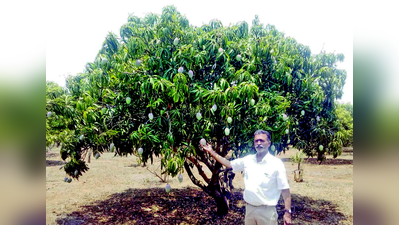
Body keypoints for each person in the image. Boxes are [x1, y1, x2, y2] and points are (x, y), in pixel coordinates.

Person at [200, 130, 292, 225]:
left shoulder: (276, 164)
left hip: (267, 212)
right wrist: (211, 151)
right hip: (250, 210)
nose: (259, 143)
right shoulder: (248, 160)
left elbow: (285, 189)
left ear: (269, 143)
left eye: (262, 140)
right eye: (256, 141)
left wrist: (287, 212)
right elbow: (229, 164)